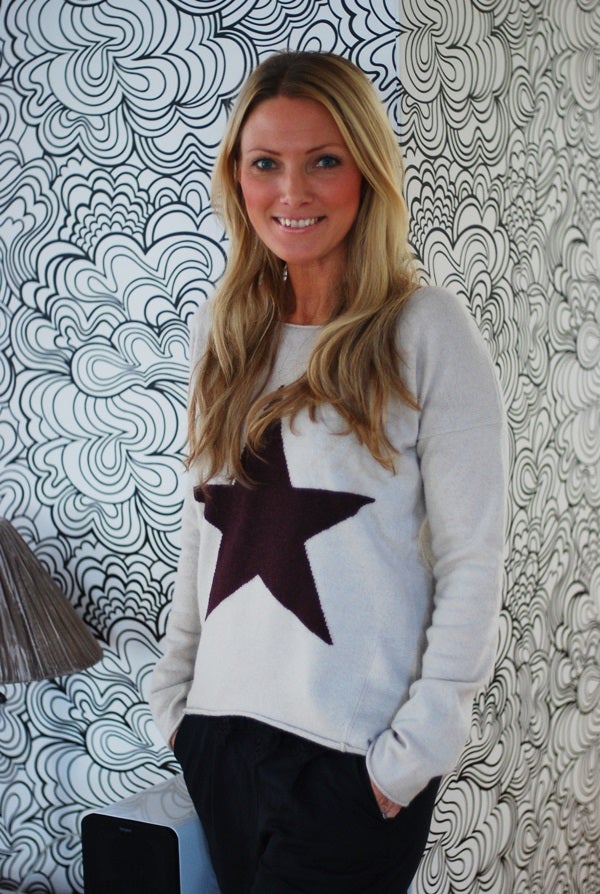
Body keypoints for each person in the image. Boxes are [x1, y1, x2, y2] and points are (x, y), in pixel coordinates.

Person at [150, 50, 507, 894]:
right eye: (264, 163)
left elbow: (474, 561)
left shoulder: (425, 330)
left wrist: (413, 754)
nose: (291, 192)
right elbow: (205, 525)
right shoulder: (225, 332)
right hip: (220, 740)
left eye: (323, 161)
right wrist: (176, 704)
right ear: (237, 177)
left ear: (367, 170)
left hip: (350, 765)